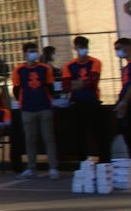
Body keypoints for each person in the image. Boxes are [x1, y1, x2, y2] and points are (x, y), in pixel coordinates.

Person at [12, 42, 58, 179]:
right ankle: (31, 167)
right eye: (31, 51)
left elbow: (50, 87)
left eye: (35, 51)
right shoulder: (19, 70)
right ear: (25, 53)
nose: (34, 54)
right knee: (30, 139)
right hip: (27, 108)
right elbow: (16, 89)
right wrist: (23, 101)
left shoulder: (45, 68)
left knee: (48, 138)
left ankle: (53, 168)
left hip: (44, 107)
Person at [63, 35, 110, 163]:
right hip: (77, 103)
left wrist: (77, 84)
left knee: (100, 133)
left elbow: (93, 81)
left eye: (84, 47)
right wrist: (83, 83)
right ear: (75, 48)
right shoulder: (69, 65)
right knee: (79, 134)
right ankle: (82, 161)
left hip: (93, 101)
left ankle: (104, 160)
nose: (83, 50)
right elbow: (66, 86)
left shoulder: (95, 62)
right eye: (80, 47)